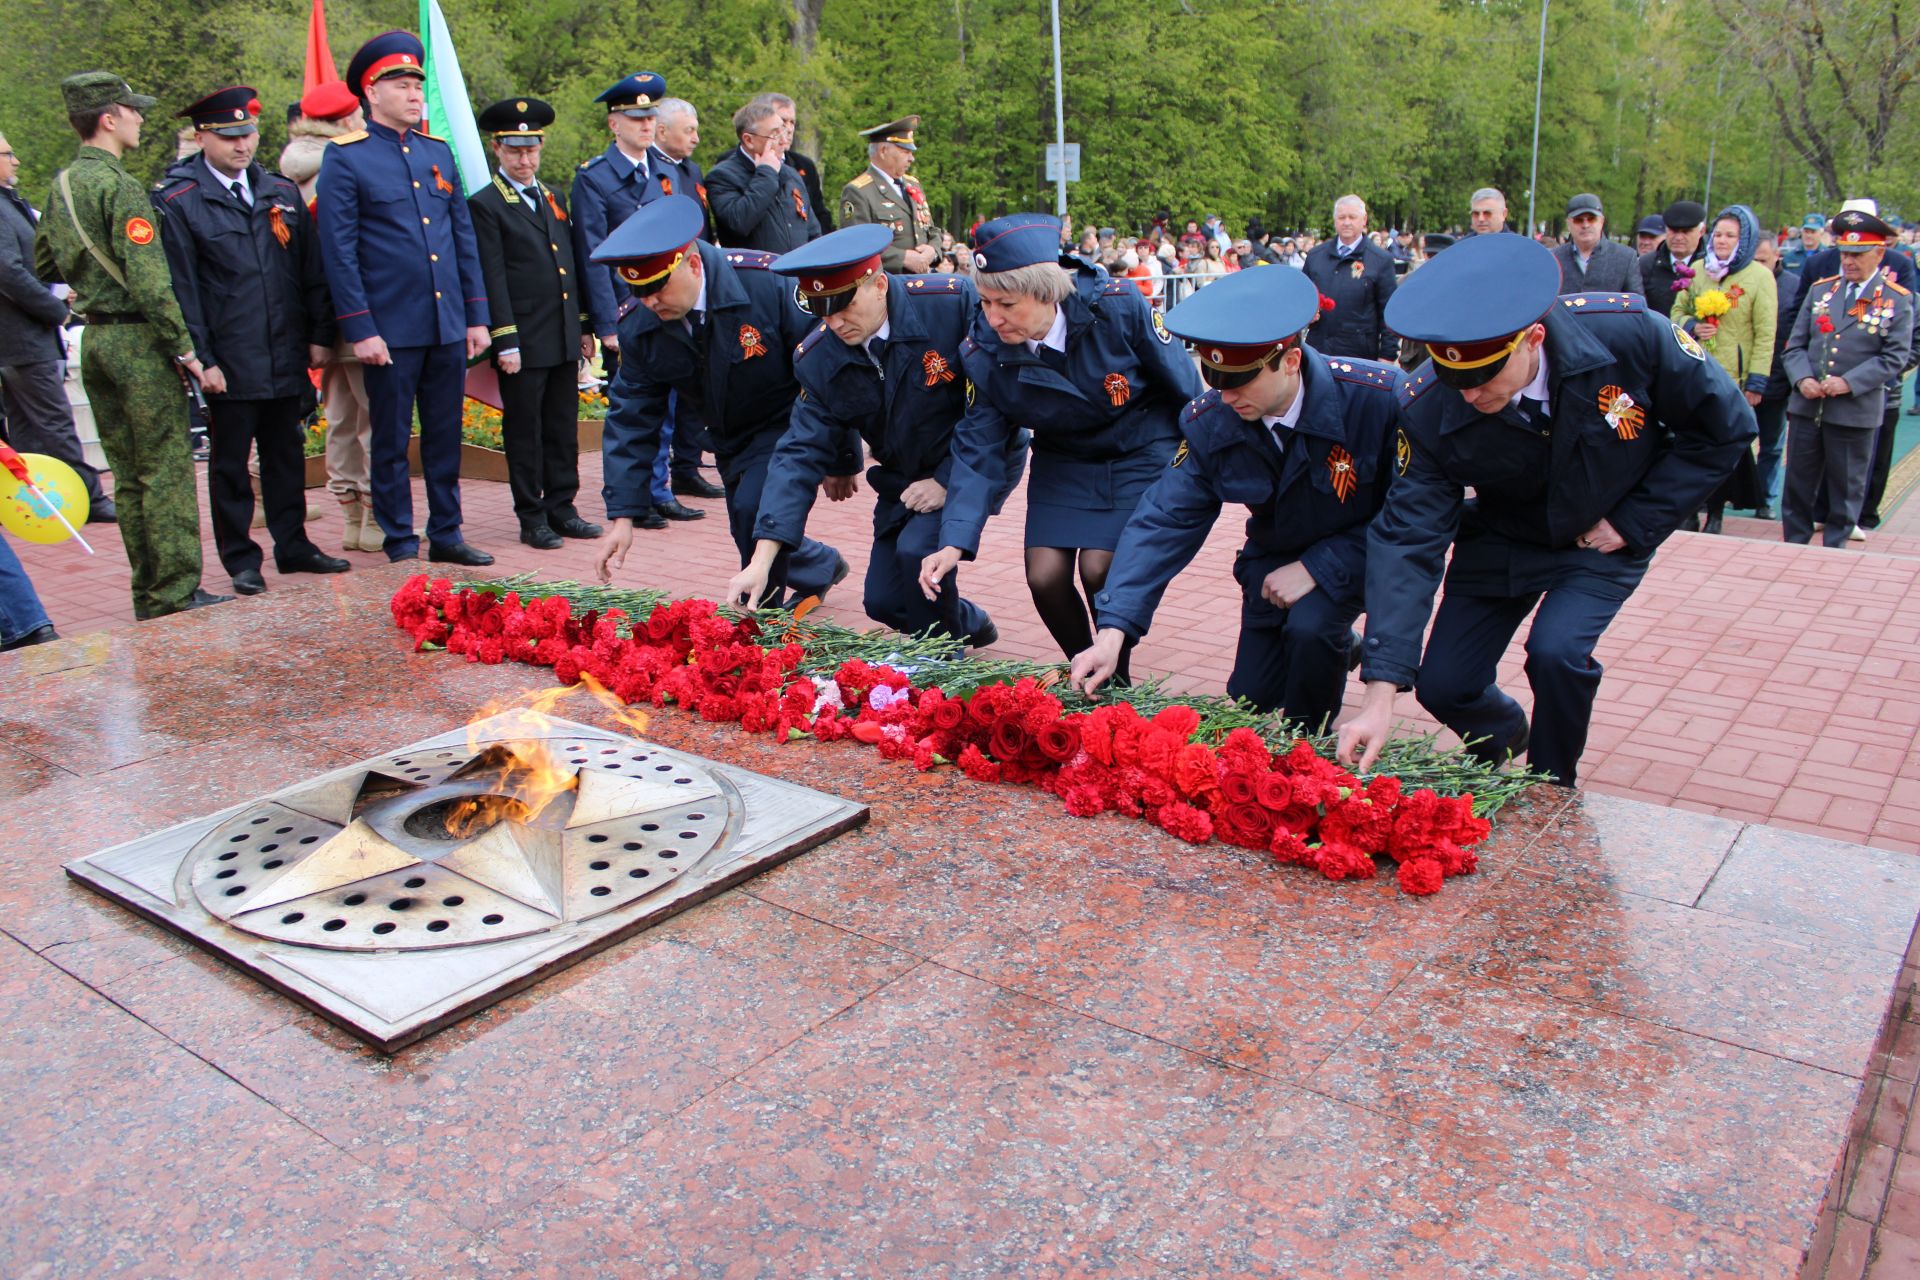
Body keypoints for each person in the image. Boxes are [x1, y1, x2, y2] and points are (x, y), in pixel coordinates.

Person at [1336, 234, 1753, 787]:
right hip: (1507, 532)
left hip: (1603, 530)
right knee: (1444, 684)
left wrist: (1635, 521)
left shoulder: (1630, 337)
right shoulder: (1430, 404)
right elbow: (1409, 537)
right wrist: (1380, 693)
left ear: (1532, 339)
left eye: (1484, 381)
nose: (1468, 397)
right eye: (1455, 380)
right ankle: (1506, 732)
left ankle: (1551, 787)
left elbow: (1724, 430)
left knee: (1556, 654)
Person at [1071, 264, 1399, 729]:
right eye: (1216, 380)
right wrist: (1112, 632)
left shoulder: (1376, 402)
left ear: (1290, 361)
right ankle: (1339, 643)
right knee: (1251, 696)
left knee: (1311, 635)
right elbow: (1164, 519)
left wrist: (1318, 569)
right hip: (1273, 560)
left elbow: (1406, 518)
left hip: (1357, 555)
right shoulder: (1212, 421)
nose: (1226, 398)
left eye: (1241, 381)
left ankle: (1311, 746)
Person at [916, 213, 1203, 681]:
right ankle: (1087, 668)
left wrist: (1199, 467)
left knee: (1098, 568)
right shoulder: (983, 348)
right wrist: (954, 541)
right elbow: (978, 445)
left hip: (1136, 449)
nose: (993, 317)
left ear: (1046, 291)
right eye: (986, 302)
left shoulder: (1121, 308)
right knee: (1044, 576)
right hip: (1065, 457)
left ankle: (1113, 676)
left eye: (1006, 303)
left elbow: (1186, 388)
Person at [729, 224, 1022, 647]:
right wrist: (762, 558)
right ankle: (968, 623)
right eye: (821, 310)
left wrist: (946, 479)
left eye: (843, 306)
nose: (834, 322)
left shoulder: (950, 305)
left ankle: (940, 663)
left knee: (915, 553)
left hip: (972, 460)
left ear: (879, 284)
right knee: (882, 601)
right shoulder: (820, 356)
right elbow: (798, 454)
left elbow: (994, 410)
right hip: (903, 477)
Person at [35, 72, 230, 618]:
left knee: (126, 474)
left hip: (94, 338)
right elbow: (150, 282)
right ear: (109, 118)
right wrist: (186, 351)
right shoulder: (120, 187)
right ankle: (175, 592)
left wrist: (88, 284)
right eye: (133, 110)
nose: (140, 118)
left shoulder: (64, 184)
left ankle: (148, 588)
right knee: (165, 471)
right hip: (137, 343)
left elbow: (45, 263)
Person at [589, 195, 846, 598]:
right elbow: (632, 418)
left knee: (752, 510)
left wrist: (839, 457)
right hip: (727, 436)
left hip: (788, 422)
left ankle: (764, 626)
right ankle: (819, 565)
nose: (650, 301)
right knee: (744, 521)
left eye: (658, 287)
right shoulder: (641, 325)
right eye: (638, 290)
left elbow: (828, 372)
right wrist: (623, 515)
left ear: (693, 265)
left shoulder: (767, 284)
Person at [155, 86, 347, 595]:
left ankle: (295, 545)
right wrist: (203, 360)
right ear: (202, 138)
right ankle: (241, 558)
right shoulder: (181, 200)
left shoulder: (278, 191)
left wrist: (319, 334)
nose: (242, 146)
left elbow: (311, 270)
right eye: (229, 136)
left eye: (249, 134)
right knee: (231, 466)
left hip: (284, 351)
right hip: (230, 359)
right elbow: (184, 290)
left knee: (286, 456)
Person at [315, 31, 494, 566]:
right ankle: (397, 538)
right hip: (389, 328)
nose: (415, 93)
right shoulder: (347, 157)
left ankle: (447, 531)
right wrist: (360, 327)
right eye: (401, 84)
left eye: (417, 83)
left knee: (444, 435)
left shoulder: (435, 152)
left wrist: (476, 316)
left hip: (444, 323)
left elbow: (462, 239)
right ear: (372, 93)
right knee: (390, 441)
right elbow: (339, 251)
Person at [571, 73, 720, 523]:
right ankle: (634, 497)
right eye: (635, 118)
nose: (647, 125)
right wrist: (607, 325)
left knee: (670, 405)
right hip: (626, 309)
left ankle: (660, 491)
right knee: (635, 412)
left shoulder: (665, 172)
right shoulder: (594, 178)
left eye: (651, 117)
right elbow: (593, 255)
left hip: (669, 304)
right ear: (614, 124)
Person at [468, 97, 603, 552]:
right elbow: (493, 274)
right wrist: (504, 339)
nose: (525, 160)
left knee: (563, 426)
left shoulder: (552, 196)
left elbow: (568, 264)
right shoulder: (486, 204)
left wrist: (583, 325)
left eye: (532, 150)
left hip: (561, 333)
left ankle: (563, 507)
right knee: (525, 431)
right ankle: (531, 515)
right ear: (497, 150)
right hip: (522, 338)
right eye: (514, 151)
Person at [280, 80, 381, 552]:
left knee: (340, 417)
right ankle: (376, 519)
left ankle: (351, 517)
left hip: (318, 319)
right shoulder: (343, 167)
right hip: (357, 314)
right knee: (374, 418)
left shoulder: (292, 173)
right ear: (345, 121)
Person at [1780, 209, 1914, 548]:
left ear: (1879, 253)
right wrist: (1802, 379)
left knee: (1845, 492)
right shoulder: (1821, 291)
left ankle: (1835, 554)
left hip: (1854, 411)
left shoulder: (1896, 300)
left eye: (1858, 254)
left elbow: (1895, 357)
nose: (1849, 261)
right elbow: (1794, 346)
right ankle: (1792, 549)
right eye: (1844, 254)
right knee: (1797, 488)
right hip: (1808, 406)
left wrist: (1849, 382)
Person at [0, 127, 113, 522]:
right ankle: (88, 498)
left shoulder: (6, 201)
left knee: (29, 425)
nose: (15, 161)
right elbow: (8, 271)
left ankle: (44, 501)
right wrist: (53, 310)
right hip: (23, 334)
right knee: (52, 420)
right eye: (7, 153)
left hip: (18, 336)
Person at [1670, 204, 1776, 533]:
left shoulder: (1759, 277)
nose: (1722, 241)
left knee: (1725, 445)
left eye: (1731, 236)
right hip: (1695, 371)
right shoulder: (1698, 270)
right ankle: (1689, 509)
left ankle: (1716, 511)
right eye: (1718, 234)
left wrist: (1756, 381)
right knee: (1689, 442)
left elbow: (1765, 333)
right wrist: (1692, 324)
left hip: (1734, 375)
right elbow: (1675, 313)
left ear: (1745, 240)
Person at [705, 98, 819, 254]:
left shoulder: (790, 174)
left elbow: (812, 231)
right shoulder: (721, 176)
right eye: (775, 135)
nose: (784, 141)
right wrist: (766, 173)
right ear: (749, 140)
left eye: (783, 131)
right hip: (754, 275)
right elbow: (739, 223)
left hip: (798, 273)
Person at [1301, 195, 1398, 360]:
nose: (1346, 222)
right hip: (1318, 349)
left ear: (1364, 220)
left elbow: (1389, 311)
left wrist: (1388, 355)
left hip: (1359, 353)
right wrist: (1306, 313)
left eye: (1352, 217)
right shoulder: (1315, 256)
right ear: (1335, 220)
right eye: (1341, 217)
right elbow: (1301, 296)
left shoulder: (1380, 260)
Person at [837, 116, 936, 274]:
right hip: (885, 285)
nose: (911, 158)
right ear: (883, 151)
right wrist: (902, 258)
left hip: (921, 282)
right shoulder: (858, 191)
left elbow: (931, 229)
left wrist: (933, 250)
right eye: (905, 152)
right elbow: (856, 243)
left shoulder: (913, 185)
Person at [1750, 236, 1802, 519]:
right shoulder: (1741, 282)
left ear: (1777, 256)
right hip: (1744, 378)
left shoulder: (1794, 287)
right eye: (1753, 260)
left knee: (1771, 444)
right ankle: (1733, 492)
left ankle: (1765, 498)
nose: (1758, 266)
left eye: (1763, 260)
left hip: (1778, 378)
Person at [752, 93, 832, 236]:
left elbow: (819, 214)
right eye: (783, 121)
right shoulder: (739, 163)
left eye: (792, 122)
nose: (789, 129)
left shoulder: (804, 166)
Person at [1551, 193, 1644, 295]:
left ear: (1601, 221)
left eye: (1591, 219)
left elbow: (1636, 304)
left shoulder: (1626, 258)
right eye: (1578, 220)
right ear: (1568, 224)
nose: (1585, 225)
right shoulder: (1553, 259)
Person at [650, 98, 711, 240]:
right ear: (662, 132)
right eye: (689, 131)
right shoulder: (648, 169)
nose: (696, 139)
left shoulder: (693, 170)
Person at [1639, 199, 1707, 313]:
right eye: (1673, 231)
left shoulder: (1710, 268)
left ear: (1701, 231)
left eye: (1686, 231)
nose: (1679, 237)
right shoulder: (1645, 265)